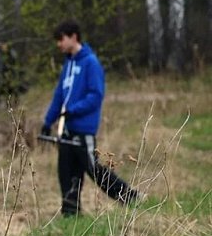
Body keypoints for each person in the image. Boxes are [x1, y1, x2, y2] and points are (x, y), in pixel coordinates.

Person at [41, 21, 140, 216]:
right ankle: (70, 212)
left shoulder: (91, 63)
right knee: (66, 171)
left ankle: (130, 197)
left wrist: (73, 110)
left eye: (61, 39)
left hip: (83, 129)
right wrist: (47, 122)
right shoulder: (68, 64)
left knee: (94, 169)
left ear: (73, 37)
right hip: (67, 130)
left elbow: (96, 95)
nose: (58, 44)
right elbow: (59, 96)